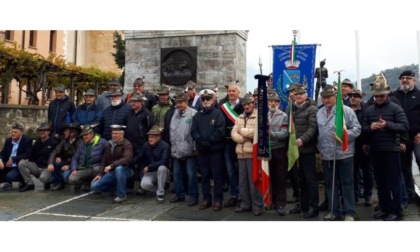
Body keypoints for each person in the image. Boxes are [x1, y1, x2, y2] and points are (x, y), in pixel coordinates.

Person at [363, 79, 409, 221]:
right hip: (376, 150)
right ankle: (385, 208)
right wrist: (370, 128)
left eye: (381, 96)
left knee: (394, 182)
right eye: (376, 96)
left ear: (387, 95)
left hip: (391, 149)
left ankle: (397, 211)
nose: (378, 98)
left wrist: (387, 125)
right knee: (380, 182)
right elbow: (363, 129)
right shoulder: (369, 110)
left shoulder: (395, 108)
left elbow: (404, 126)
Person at [316, 85, 361, 221]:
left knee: (347, 184)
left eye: (329, 97)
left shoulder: (346, 111)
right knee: (330, 185)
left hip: (344, 154)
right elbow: (319, 132)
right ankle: (334, 211)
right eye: (324, 97)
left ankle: (349, 212)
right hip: (327, 155)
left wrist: (344, 137)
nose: (326, 100)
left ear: (336, 97)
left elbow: (357, 129)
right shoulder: (319, 113)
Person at [287, 85, 320, 219]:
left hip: (307, 149)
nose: (299, 96)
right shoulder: (290, 108)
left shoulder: (312, 109)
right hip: (294, 150)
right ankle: (303, 204)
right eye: (297, 94)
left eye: (302, 94)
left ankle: (313, 207)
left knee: (310, 179)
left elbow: (313, 128)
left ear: (306, 95)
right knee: (299, 179)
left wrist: (303, 140)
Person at [191, 90, 226, 211]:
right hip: (202, 151)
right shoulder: (197, 115)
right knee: (204, 176)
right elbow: (193, 130)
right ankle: (207, 199)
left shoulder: (218, 114)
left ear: (213, 100)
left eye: (208, 99)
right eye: (203, 99)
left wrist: (210, 141)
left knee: (217, 177)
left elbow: (221, 130)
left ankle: (218, 200)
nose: (206, 101)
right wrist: (200, 140)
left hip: (214, 150)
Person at [390, 70, 420, 203]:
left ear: (415, 80)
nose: (405, 80)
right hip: (401, 135)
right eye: (402, 78)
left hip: (417, 135)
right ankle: (409, 193)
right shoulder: (393, 95)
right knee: (404, 166)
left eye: (408, 78)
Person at [231, 93, 264, 216]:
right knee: (243, 181)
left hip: (252, 154)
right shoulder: (239, 117)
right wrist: (243, 138)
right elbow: (233, 133)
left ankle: (257, 205)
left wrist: (242, 131)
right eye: (245, 104)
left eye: (249, 104)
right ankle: (245, 204)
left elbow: (257, 132)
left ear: (253, 104)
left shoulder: (259, 117)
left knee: (254, 181)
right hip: (241, 153)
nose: (247, 106)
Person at [167, 92, 199, 206]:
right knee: (176, 174)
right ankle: (179, 195)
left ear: (186, 102)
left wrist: (195, 148)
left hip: (189, 150)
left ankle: (193, 196)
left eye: (181, 102)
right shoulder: (174, 113)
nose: (179, 105)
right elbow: (172, 130)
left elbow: (196, 133)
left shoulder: (194, 113)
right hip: (176, 149)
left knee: (191, 175)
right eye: (177, 102)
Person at [91, 125, 134, 203]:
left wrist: (111, 165)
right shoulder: (108, 144)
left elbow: (127, 159)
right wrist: (100, 173)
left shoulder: (127, 144)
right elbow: (104, 159)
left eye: (116, 133)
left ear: (122, 134)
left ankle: (122, 195)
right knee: (94, 186)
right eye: (113, 133)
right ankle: (115, 188)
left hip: (126, 170)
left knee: (119, 169)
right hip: (112, 172)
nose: (114, 135)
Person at [218, 81, 244, 208]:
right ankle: (234, 195)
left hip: (242, 141)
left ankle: (244, 196)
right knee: (230, 171)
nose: (231, 93)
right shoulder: (222, 105)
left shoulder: (245, 104)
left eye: (234, 91)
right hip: (227, 142)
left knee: (242, 170)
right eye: (229, 91)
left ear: (238, 92)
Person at [348, 88, 373, 206]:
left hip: (364, 145)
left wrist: (367, 142)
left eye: (356, 96)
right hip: (349, 145)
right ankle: (355, 194)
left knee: (367, 171)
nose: (353, 98)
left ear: (360, 98)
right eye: (351, 96)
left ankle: (368, 195)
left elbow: (368, 128)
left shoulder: (367, 110)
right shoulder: (345, 111)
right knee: (352, 172)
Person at [17, 122, 59, 192]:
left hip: (47, 167)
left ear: (48, 132)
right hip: (37, 166)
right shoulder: (37, 143)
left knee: (43, 178)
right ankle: (29, 184)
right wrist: (27, 159)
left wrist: (57, 158)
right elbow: (32, 156)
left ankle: (49, 181)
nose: (42, 132)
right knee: (22, 163)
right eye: (40, 131)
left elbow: (57, 153)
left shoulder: (54, 142)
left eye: (44, 131)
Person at [136, 125, 171, 202]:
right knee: (144, 185)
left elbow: (164, 161)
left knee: (161, 168)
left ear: (159, 137)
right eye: (149, 137)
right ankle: (158, 189)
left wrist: (149, 167)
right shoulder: (145, 145)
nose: (150, 139)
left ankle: (160, 193)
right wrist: (129, 162)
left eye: (153, 137)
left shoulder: (165, 146)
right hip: (150, 172)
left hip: (163, 171)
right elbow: (139, 157)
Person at [68, 125, 107, 191]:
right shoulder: (81, 144)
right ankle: (86, 183)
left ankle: (97, 183)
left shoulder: (102, 142)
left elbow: (107, 156)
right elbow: (75, 158)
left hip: (96, 168)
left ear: (92, 134)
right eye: (83, 135)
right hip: (84, 168)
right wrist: (74, 169)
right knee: (71, 179)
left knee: (96, 169)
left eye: (86, 135)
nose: (84, 137)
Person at [47, 122, 83, 191]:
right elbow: (55, 151)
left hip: (76, 166)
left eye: (66, 131)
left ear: (72, 133)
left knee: (65, 176)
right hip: (65, 162)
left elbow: (80, 159)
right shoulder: (64, 141)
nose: (64, 132)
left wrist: (69, 166)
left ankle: (78, 182)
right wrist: (50, 163)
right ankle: (59, 183)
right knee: (56, 164)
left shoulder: (80, 143)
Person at [0, 123, 33, 191]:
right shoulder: (8, 141)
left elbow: (28, 154)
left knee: (10, 177)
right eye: (12, 131)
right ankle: (7, 184)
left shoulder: (27, 140)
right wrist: (0, 160)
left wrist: (13, 159)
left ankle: (22, 180)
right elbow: (3, 153)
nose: (13, 133)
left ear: (20, 133)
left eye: (15, 132)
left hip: (18, 165)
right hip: (7, 164)